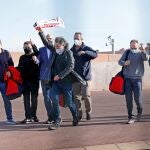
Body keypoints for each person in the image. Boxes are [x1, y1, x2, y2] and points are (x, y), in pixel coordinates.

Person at [36, 27, 85, 130]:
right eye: (55, 45)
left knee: (69, 102)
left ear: (63, 45)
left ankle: (75, 116)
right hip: (55, 83)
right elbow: (46, 43)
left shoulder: (68, 53)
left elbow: (70, 66)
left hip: (66, 82)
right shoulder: (54, 51)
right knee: (54, 99)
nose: (56, 46)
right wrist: (41, 32)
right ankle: (57, 121)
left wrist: (60, 75)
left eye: (58, 45)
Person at [118, 39, 148, 124]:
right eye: (132, 46)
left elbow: (146, 58)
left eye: (135, 46)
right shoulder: (127, 52)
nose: (133, 47)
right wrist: (124, 63)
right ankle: (130, 117)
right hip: (127, 79)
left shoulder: (140, 53)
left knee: (138, 99)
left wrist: (143, 50)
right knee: (128, 99)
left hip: (137, 79)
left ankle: (139, 110)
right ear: (130, 45)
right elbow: (119, 62)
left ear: (138, 46)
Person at [70, 32, 98, 121]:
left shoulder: (86, 48)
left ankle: (88, 112)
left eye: (78, 38)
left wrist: (85, 52)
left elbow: (95, 54)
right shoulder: (71, 50)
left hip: (85, 78)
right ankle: (79, 114)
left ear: (82, 40)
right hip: (74, 78)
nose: (76, 40)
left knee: (86, 95)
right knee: (76, 97)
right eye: (75, 38)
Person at [35, 34, 55, 124]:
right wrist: (35, 59)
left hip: (54, 77)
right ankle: (50, 117)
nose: (49, 40)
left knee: (54, 97)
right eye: (47, 39)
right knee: (46, 98)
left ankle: (56, 116)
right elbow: (38, 60)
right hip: (43, 77)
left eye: (50, 39)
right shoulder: (41, 49)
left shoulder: (55, 49)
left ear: (53, 40)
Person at [18, 41, 40, 123]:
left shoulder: (35, 55)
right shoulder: (22, 57)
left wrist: (33, 44)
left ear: (31, 47)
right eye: (25, 47)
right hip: (25, 82)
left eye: (28, 46)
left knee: (34, 99)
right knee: (26, 99)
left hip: (34, 81)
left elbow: (37, 52)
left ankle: (33, 116)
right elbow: (19, 68)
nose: (26, 48)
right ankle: (27, 117)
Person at [0, 40, 16, 124]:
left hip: (4, 82)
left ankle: (9, 119)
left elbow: (11, 65)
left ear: (1, 45)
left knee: (7, 100)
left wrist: (10, 71)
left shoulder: (6, 53)